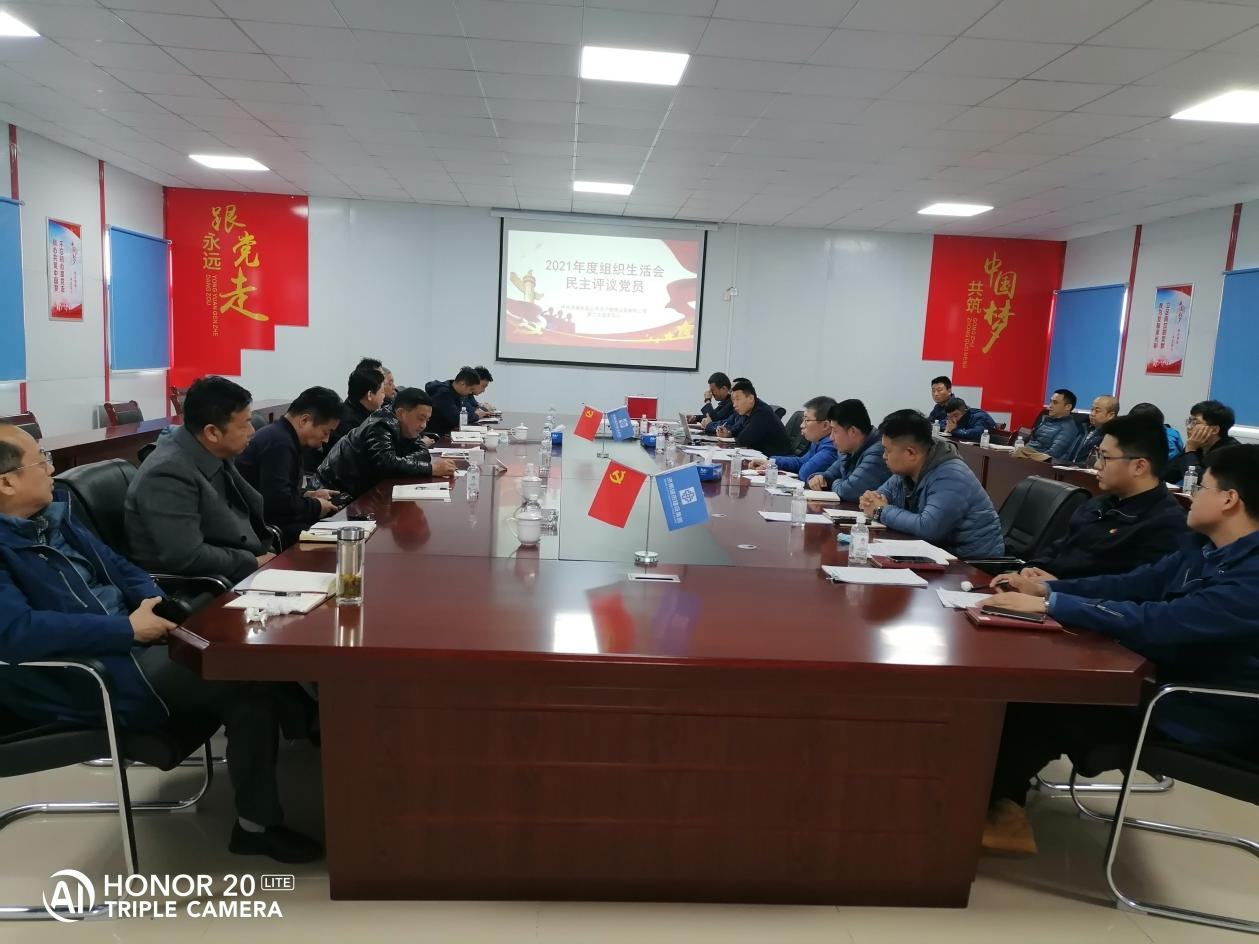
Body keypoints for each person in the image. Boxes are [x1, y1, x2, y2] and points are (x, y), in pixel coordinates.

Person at [0, 423, 322, 863]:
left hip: (131, 639)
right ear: (7, 482)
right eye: (42, 461)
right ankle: (283, 786)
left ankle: (260, 818)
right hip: (91, 673)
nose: (51, 470)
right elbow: (18, 633)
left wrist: (154, 601)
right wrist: (126, 630)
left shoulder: (52, 515)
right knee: (245, 674)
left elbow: (117, 564)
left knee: (250, 662)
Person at [981, 444, 1259, 856]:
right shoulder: (1203, 549)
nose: (1192, 495)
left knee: (1049, 692)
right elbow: (1133, 584)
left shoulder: (1252, 578)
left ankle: (998, 808)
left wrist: (1052, 606)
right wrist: (1048, 589)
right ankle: (992, 795)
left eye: (1202, 487)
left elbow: (1163, 622)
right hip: (1166, 677)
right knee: (1041, 675)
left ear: (1229, 499)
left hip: (1205, 709)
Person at [989, 415, 1187, 584]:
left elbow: (1127, 589)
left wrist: (1055, 588)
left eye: (1105, 457)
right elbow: (1059, 547)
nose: (1097, 465)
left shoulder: (1165, 523)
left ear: (1139, 466)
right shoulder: (1099, 504)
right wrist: (1031, 569)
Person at [126, 377, 275, 585]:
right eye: (245, 425)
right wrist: (252, 562)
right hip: (201, 586)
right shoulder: (167, 474)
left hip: (237, 566)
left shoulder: (213, 451)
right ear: (212, 432)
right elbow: (187, 556)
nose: (252, 431)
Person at [859, 409, 1004, 558]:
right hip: (938, 554)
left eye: (887, 450)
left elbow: (928, 528)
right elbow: (879, 496)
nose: (884, 456)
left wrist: (881, 511)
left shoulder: (951, 475)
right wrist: (869, 500)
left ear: (911, 453)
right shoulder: (905, 471)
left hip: (971, 562)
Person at [237, 386, 344, 547]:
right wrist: (316, 506)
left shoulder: (282, 435)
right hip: (259, 527)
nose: (326, 440)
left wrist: (308, 494)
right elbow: (277, 503)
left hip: (269, 517)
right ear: (304, 420)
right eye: (325, 432)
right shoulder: (280, 443)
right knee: (332, 542)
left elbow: (278, 490)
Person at [316, 387, 459, 498]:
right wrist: (431, 469)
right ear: (401, 413)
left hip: (362, 490)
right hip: (332, 492)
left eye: (427, 420)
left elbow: (423, 453)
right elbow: (387, 465)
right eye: (421, 418)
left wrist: (400, 462)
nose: (424, 426)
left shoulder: (406, 425)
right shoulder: (380, 425)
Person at [807, 399, 891, 501]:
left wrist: (833, 482)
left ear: (852, 431)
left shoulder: (877, 453)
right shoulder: (848, 449)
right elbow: (830, 474)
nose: (831, 437)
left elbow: (848, 492)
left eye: (835, 431)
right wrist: (819, 478)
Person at [747, 397, 838, 481]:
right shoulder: (819, 441)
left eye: (806, 420)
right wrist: (771, 462)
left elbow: (805, 473)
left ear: (825, 425)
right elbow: (802, 461)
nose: (801, 425)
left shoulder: (831, 447)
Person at [1163, 399, 1241, 485]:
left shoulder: (1232, 454)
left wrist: (1190, 450)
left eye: (1195, 422)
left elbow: (1202, 484)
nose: (1189, 427)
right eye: (1189, 421)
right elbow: (1166, 476)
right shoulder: (1197, 446)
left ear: (1214, 430)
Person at [716, 379, 791, 456]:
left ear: (751, 398)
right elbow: (737, 429)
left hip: (776, 459)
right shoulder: (748, 411)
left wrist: (734, 435)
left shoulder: (762, 412)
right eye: (733, 400)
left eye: (738, 399)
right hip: (761, 455)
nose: (734, 405)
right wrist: (728, 434)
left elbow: (743, 440)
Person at [329, 366, 386, 450]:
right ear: (369, 395)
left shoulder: (356, 410)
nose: (384, 396)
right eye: (382, 392)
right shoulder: (351, 425)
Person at [424, 367, 482, 439]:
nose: (471, 393)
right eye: (471, 389)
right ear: (462, 384)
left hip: (448, 432)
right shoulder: (443, 393)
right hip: (437, 435)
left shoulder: (456, 392)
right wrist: (476, 416)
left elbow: (464, 411)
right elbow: (456, 418)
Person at [1026, 389, 1081, 462]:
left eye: (1055, 403)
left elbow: (1052, 455)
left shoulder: (1068, 429)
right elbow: (1030, 442)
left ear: (1068, 407)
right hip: (1027, 456)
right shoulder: (1047, 420)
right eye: (1050, 402)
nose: (1050, 406)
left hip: (1038, 463)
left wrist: (1027, 456)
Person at [1067, 395, 1120, 466]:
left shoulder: (1112, 437)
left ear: (1111, 415)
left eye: (1097, 411)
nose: (1092, 414)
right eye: (1092, 409)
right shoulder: (1083, 427)